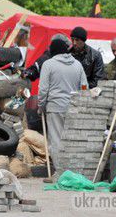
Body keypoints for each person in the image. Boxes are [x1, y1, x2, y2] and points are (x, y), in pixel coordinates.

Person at [38, 39, 87, 171]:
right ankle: (72, 170)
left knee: (56, 141)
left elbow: (43, 89)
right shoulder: (77, 65)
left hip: (55, 107)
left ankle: (60, 172)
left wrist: (41, 106)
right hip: (74, 108)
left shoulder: (48, 64)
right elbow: (84, 87)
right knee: (71, 141)